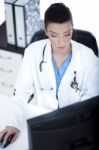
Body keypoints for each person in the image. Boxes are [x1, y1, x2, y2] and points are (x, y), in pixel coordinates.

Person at [0, 2, 99, 146]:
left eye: (67, 34)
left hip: (76, 126)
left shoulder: (88, 57)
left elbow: (93, 102)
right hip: (42, 122)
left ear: (72, 29)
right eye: (54, 35)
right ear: (46, 32)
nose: (61, 42)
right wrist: (13, 123)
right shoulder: (32, 52)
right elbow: (20, 93)